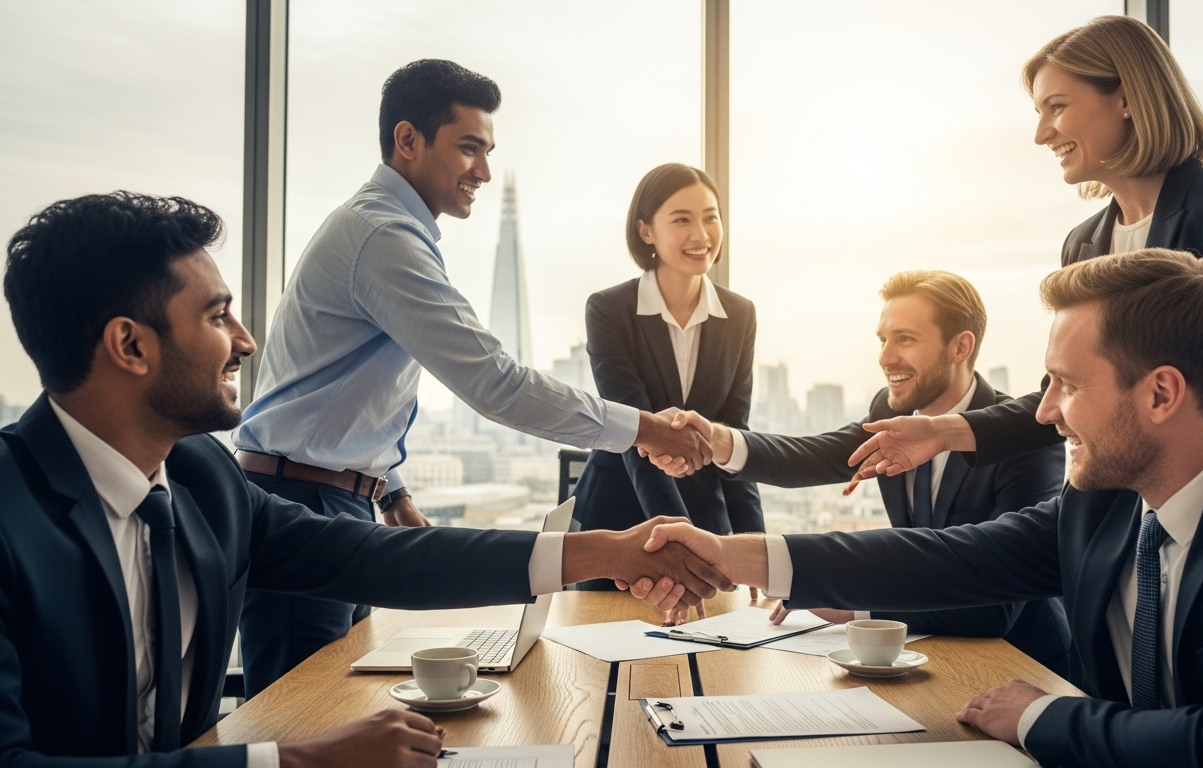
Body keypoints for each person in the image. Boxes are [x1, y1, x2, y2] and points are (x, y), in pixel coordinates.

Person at [0, 192, 729, 767]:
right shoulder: (10, 516)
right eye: (218, 317)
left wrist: (607, 551)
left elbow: (376, 557)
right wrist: (298, 760)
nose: (245, 341)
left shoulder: (199, 482)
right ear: (130, 345)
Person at [634, 249, 1203, 766]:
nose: (1042, 413)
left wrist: (1037, 717)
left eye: (1065, 384)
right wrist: (733, 556)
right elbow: (960, 557)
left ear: (1161, 394)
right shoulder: (1105, 502)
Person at [231, 60, 711, 697]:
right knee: (303, 715)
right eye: (468, 147)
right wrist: (646, 428)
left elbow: (338, 391)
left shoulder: (387, 229)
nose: (482, 170)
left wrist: (390, 492)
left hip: (331, 499)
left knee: (334, 707)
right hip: (303, 504)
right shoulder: (383, 236)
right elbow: (495, 383)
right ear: (408, 140)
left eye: (487, 152)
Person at [848, 15, 1203, 483]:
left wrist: (1176, 475)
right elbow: (1071, 399)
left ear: (1126, 98)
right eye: (1040, 113)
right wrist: (944, 432)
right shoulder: (1083, 244)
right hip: (1123, 517)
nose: (1041, 134)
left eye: (1057, 107)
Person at [662, 270, 1070, 672]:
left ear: (960, 346)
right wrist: (720, 441)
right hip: (926, 654)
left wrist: (852, 604)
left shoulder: (1024, 443)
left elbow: (997, 609)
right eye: (883, 339)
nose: (885, 357)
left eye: (905, 339)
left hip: (1022, 666)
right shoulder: (888, 411)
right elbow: (814, 455)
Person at [571, 164, 763, 599]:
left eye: (711, 217)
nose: (701, 234)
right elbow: (634, 431)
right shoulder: (609, 310)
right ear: (646, 231)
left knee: (718, 640)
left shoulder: (740, 314)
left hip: (706, 518)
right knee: (604, 634)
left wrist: (755, 543)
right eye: (681, 219)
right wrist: (677, 538)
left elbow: (735, 434)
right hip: (619, 518)